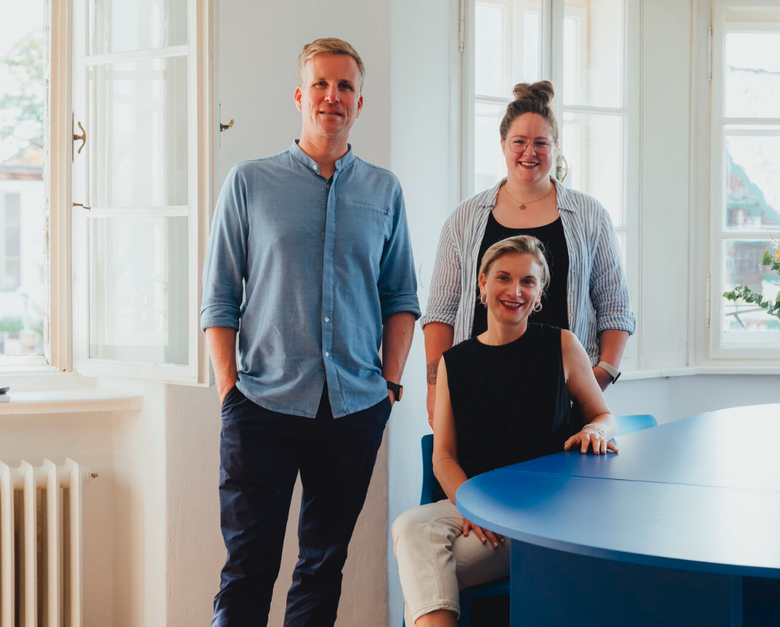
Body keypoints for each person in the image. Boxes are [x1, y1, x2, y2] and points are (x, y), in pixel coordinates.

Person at [200, 37, 420, 627]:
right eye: (321, 84)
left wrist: (390, 385)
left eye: (345, 85)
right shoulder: (249, 182)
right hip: (261, 404)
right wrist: (229, 394)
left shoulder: (384, 191)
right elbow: (219, 299)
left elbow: (401, 297)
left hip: (353, 408)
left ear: (359, 102)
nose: (332, 96)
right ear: (301, 96)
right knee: (249, 566)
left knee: (324, 565)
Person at [393, 235, 617, 627]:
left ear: (539, 292)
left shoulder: (561, 345)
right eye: (503, 278)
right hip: (476, 509)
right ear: (482, 283)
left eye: (528, 282)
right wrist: (471, 507)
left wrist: (597, 431)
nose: (515, 291)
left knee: (423, 572)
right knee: (410, 525)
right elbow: (443, 456)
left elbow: (602, 414)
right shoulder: (454, 363)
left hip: (543, 517)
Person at [421, 81, 635, 427]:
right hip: (475, 391)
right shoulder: (464, 218)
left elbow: (615, 309)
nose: (529, 153)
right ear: (503, 144)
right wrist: (435, 389)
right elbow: (441, 312)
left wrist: (600, 375)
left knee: (563, 482)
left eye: (540, 143)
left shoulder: (591, 216)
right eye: (519, 142)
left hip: (562, 399)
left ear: (556, 146)